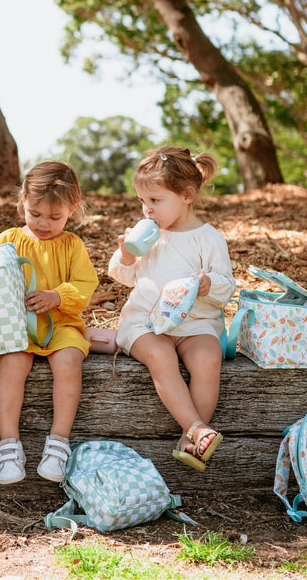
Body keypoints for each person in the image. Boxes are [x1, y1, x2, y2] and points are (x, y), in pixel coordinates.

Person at [108, 146, 236, 471]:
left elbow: (226, 286)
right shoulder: (149, 237)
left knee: (208, 358)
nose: (146, 210)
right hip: (147, 324)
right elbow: (122, 277)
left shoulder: (208, 239)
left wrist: (209, 284)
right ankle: (197, 428)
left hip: (194, 325)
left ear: (187, 196)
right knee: (160, 356)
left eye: (155, 201)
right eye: (142, 201)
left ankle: (190, 439)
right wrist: (125, 254)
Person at [0, 161, 98, 484]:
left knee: (69, 361)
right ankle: (9, 444)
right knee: (12, 364)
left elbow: (85, 286)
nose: (44, 223)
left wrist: (57, 296)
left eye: (55, 217)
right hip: (18, 325)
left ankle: (58, 443)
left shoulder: (72, 245)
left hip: (61, 323)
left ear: (73, 209)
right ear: (22, 203)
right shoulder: (10, 239)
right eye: (35, 214)